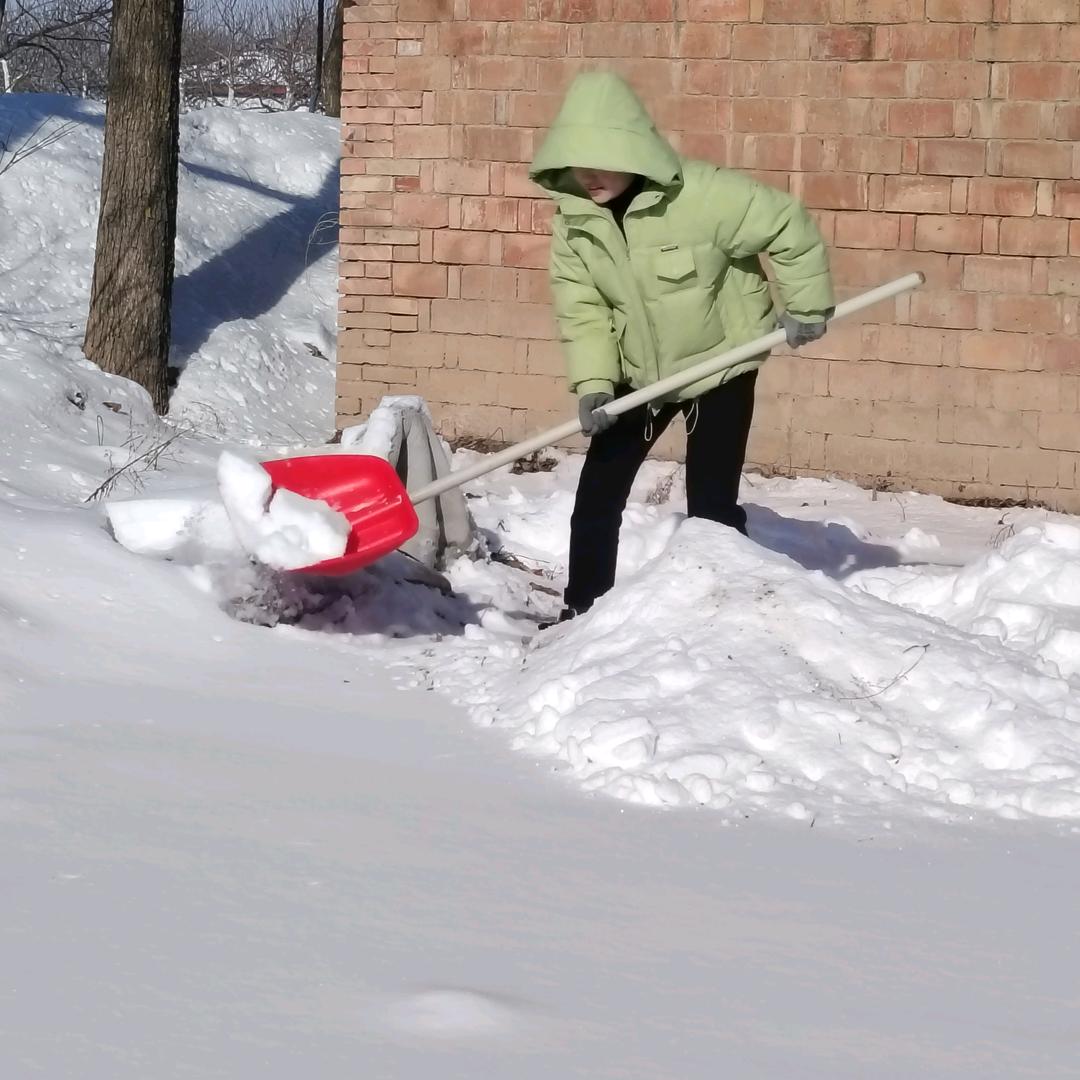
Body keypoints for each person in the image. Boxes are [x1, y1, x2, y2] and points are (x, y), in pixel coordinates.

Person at [528, 71, 834, 625]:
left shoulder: (701, 195)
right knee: (597, 498)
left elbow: (786, 224)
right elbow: (585, 310)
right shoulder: (575, 224)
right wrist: (596, 383)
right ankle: (584, 612)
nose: (589, 173)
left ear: (635, 149)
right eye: (577, 160)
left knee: (711, 508)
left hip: (721, 364)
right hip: (640, 374)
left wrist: (807, 306)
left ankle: (721, 621)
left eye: (603, 156)